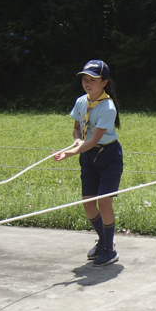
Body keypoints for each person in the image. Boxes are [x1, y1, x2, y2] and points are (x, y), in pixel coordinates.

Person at [55, 60, 123, 267]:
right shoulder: (81, 102)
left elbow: (94, 140)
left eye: (92, 80)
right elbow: (78, 128)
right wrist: (76, 140)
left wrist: (70, 152)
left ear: (104, 82)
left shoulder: (108, 107)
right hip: (87, 155)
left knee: (104, 202)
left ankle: (109, 249)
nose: (87, 83)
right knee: (87, 202)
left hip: (107, 155)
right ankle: (103, 240)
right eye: (85, 79)